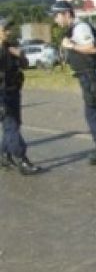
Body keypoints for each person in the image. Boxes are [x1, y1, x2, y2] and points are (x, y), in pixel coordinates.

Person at [51, 1, 96, 164]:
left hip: (91, 75)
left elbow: (92, 48)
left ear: (67, 13)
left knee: (93, 113)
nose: (55, 20)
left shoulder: (80, 28)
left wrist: (71, 45)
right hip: (87, 75)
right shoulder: (74, 28)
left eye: (57, 16)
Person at [0, 17, 42, 175]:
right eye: (5, 29)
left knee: (14, 125)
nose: (8, 32)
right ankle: (22, 159)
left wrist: (21, 54)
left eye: (9, 28)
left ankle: (4, 155)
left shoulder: (11, 47)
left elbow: (25, 65)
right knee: (11, 125)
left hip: (13, 91)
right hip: (1, 94)